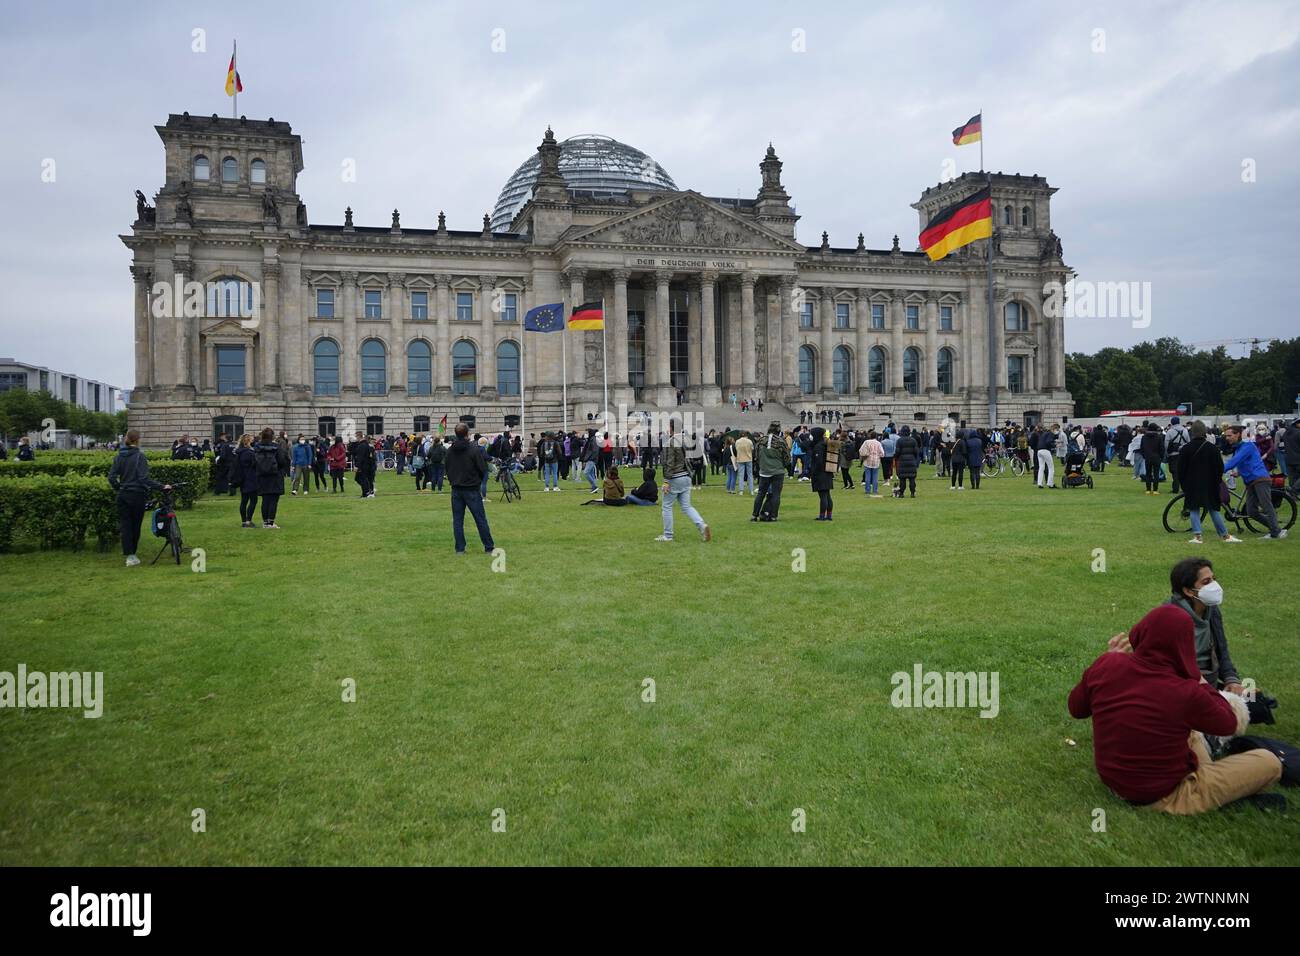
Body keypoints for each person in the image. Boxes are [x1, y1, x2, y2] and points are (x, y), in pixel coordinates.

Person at [1068, 605, 1282, 813]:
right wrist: (1198, 678)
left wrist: (1107, 659)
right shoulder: (1185, 690)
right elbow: (1228, 722)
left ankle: (1217, 784)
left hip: (1113, 781)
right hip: (1163, 795)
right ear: (1185, 646)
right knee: (1269, 761)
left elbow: (1076, 708)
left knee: (1190, 731)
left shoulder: (1108, 664)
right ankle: (1217, 795)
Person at [106, 430, 168, 566]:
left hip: (123, 494)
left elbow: (111, 477)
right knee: (135, 525)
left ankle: (129, 554)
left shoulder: (118, 457)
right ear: (138, 440)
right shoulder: (140, 457)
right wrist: (161, 486)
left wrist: (119, 488)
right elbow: (143, 478)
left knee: (125, 525)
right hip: (137, 495)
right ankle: (132, 554)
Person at [1177, 421, 1241, 544]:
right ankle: (1224, 535)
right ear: (1204, 432)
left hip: (1192, 483)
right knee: (1213, 509)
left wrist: (1184, 484)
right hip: (1210, 483)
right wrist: (1216, 481)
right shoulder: (1212, 448)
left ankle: (1197, 536)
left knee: (1194, 508)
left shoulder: (1186, 448)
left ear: (1192, 433)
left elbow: (1180, 470)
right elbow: (1219, 468)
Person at [1222, 425, 1286, 539]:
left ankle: (1276, 531)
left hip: (1260, 479)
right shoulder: (1239, 447)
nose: (1227, 438)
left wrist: (1217, 470)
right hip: (1251, 481)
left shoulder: (1247, 446)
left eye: (1229, 435)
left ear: (1237, 434)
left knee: (1266, 506)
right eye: (1226, 436)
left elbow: (1235, 461)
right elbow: (1250, 462)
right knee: (1251, 511)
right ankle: (1276, 529)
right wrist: (1239, 473)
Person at [656, 418, 710, 543]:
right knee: (687, 507)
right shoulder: (687, 440)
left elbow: (669, 463)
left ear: (671, 427)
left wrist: (666, 481)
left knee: (667, 506)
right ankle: (702, 526)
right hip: (686, 477)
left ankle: (668, 535)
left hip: (675, 477)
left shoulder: (671, 442)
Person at [445, 423, 495, 554]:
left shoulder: (450, 450)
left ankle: (460, 548)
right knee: (480, 519)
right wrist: (476, 480)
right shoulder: (473, 450)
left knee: (457, 520)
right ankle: (488, 547)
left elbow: (447, 468)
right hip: (471, 488)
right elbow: (482, 468)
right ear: (467, 434)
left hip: (456, 488)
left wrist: (453, 480)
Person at [252, 427, 289, 528]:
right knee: (273, 500)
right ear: (272, 436)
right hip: (275, 475)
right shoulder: (276, 447)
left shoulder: (257, 447)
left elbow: (253, 462)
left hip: (262, 476)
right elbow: (282, 461)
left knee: (265, 499)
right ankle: (271, 522)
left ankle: (265, 522)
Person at [753, 420, 789, 521]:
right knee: (776, 494)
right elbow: (787, 458)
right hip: (778, 471)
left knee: (761, 493)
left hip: (764, 471)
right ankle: (773, 516)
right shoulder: (781, 441)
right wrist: (783, 465)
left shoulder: (761, 441)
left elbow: (756, 456)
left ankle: (754, 515)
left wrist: (762, 465)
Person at [231, 433, 259, 527]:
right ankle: (248, 520)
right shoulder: (249, 452)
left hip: (242, 478)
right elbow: (253, 464)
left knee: (244, 500)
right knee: (253, 500)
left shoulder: (239, 452)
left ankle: (244, 521)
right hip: (250, 477)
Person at [810, 427, 834, 520]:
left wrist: (814, 472)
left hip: (821, 473)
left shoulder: (818, 446)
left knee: (823, 495)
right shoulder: (825, 444)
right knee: (827, 495)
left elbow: (818, 462)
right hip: (827, 472)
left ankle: (822, 516)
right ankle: (829, 515)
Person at [893, 426, 920, 498]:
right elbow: (916, 452)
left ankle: (901, 493)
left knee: (902, 479)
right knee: (912, 479)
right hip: (911, 461)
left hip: (902, 461)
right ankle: (912, 493)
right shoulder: (913, 440)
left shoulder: (899, 441)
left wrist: (896, 457)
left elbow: (897, 452)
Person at [350, 431, 376, 498]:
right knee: (361, 479)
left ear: (359, 436)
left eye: (356, 436)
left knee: (361, 479)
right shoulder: (364, 444)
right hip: (366, 465)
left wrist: (357, 466)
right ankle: (367, 491)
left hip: (363, 465)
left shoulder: (362, 445)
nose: (356, 438)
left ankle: (366, 492)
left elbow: (360, 457)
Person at [859, 430, 883, 497]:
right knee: (875, 476)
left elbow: (861, 450)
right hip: (876, 461)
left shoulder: (866, 442)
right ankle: (875, 490)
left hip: (867, 460)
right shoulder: (878, 443)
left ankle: (867, 490)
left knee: (867, 476)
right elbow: (882, 453)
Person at [734, 429, 754, 495]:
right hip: (748, 459)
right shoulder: (749, 441)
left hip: (740, 459)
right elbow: (752, 449)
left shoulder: (737, 441)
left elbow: (736, 449)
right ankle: (751, 491)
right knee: (750, 475)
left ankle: (741, 491)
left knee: (741, 475)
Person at [1285, 417, 1300, 495]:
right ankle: (1293, 489)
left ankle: (1292, 497)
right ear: (1297, 424)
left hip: (1288, 459)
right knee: (1295, 482)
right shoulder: (1298, 432)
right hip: (1298, 458)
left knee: (1292, 479)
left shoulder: (1286, 433)